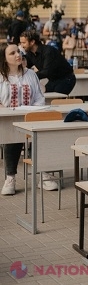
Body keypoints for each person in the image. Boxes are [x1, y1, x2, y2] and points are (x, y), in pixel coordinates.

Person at [0, 43, 54, 195]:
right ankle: (10, 178)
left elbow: (38, 96)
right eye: (12, 53)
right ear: (4, 58)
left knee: (39, 138)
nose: (18, 55)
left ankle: (43, 174)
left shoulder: (30, 74)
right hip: (8, 119)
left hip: (31, 116)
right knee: (12, 138)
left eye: (18, 51)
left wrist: (35, 110)